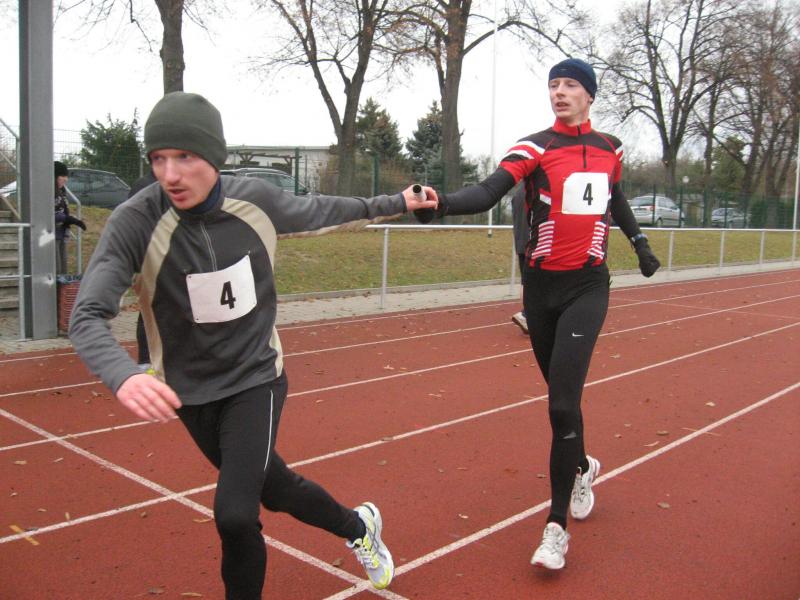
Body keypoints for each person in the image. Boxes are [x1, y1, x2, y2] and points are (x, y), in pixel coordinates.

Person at [68, 91, 437, 599]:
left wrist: (397, 202)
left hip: (255, 377)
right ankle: (359, 527)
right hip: (189, 391)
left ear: (213, 156)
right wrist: (123, 373)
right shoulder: (136, 222)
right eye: (158, 159)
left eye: (185, 157)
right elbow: (87, 315)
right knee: (275, 488)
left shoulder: (255, 201)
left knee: (236, 515)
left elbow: (325, 210)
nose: (170, 174)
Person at [415, 58, 660, 570]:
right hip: (540, 290)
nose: (559, 92)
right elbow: (489, 191)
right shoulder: (534, 148)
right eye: (553, 85)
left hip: (587, 287)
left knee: (561, 405)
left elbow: (614, 197)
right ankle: (582, 465)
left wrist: (639, 244)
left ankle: (555, 528)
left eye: (570, 85)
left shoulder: (611, 148)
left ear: (589, 95)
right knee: (560, 398)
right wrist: (442, 203)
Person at [127, 169, 157, 367]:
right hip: (150, 256)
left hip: (169, 255)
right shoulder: (146, 186)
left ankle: (148, 361)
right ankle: (146, 361)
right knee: (149, 310)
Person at [53, 160, 86, 274]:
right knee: (56, 269)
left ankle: (61, 286)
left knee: (63, 270)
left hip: (61, 234)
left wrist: (71, 219)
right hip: (50, 236)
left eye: (66, 176)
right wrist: (68, 219)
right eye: (62, 176)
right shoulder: (47, 192)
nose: (66, 179)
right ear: (55, 176)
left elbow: (63, 212)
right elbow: (49, 214)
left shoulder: (61, 192)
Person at [510, 185, 530, 334]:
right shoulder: (538, 190)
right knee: (537, 283)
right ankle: (527, 315)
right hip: (535, 244)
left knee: (527, 281)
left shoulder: (517, 194)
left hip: (521, 243)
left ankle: (528, 315)